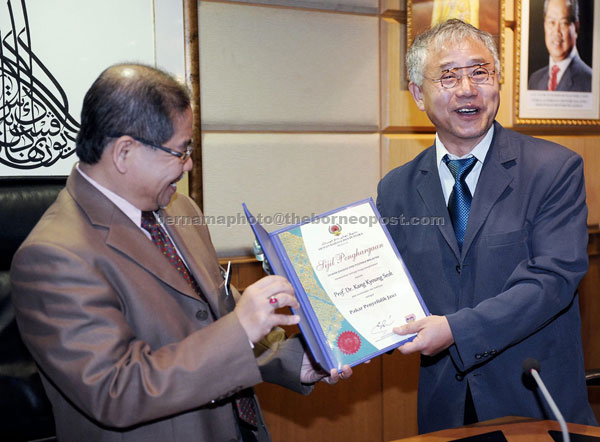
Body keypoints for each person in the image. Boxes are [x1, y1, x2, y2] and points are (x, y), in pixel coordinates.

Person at [10, 63, 351, 442]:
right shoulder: (53, 256)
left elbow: (211, 318)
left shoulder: (180, 210)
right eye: (180, 151)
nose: (188, 164)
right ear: (125, 152)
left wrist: (296, 361)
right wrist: (240, 329)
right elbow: (117, 390)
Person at [377, 19, 597, 433]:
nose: (467, 89)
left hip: (532, 404)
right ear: (418, 95)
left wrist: (454, 330)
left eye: (480, 72)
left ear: (498, 82)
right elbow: (386, 288)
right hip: (445, 409)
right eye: (448, 76)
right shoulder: (396, 189)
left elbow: (551, 281)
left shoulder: (553, 169)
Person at [528, 0, 592, 92]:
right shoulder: (534, 80)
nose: (556, 32)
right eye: (551, 22)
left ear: (576, 28)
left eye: (564, 23)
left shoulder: (590, 81)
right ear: (544, 24)